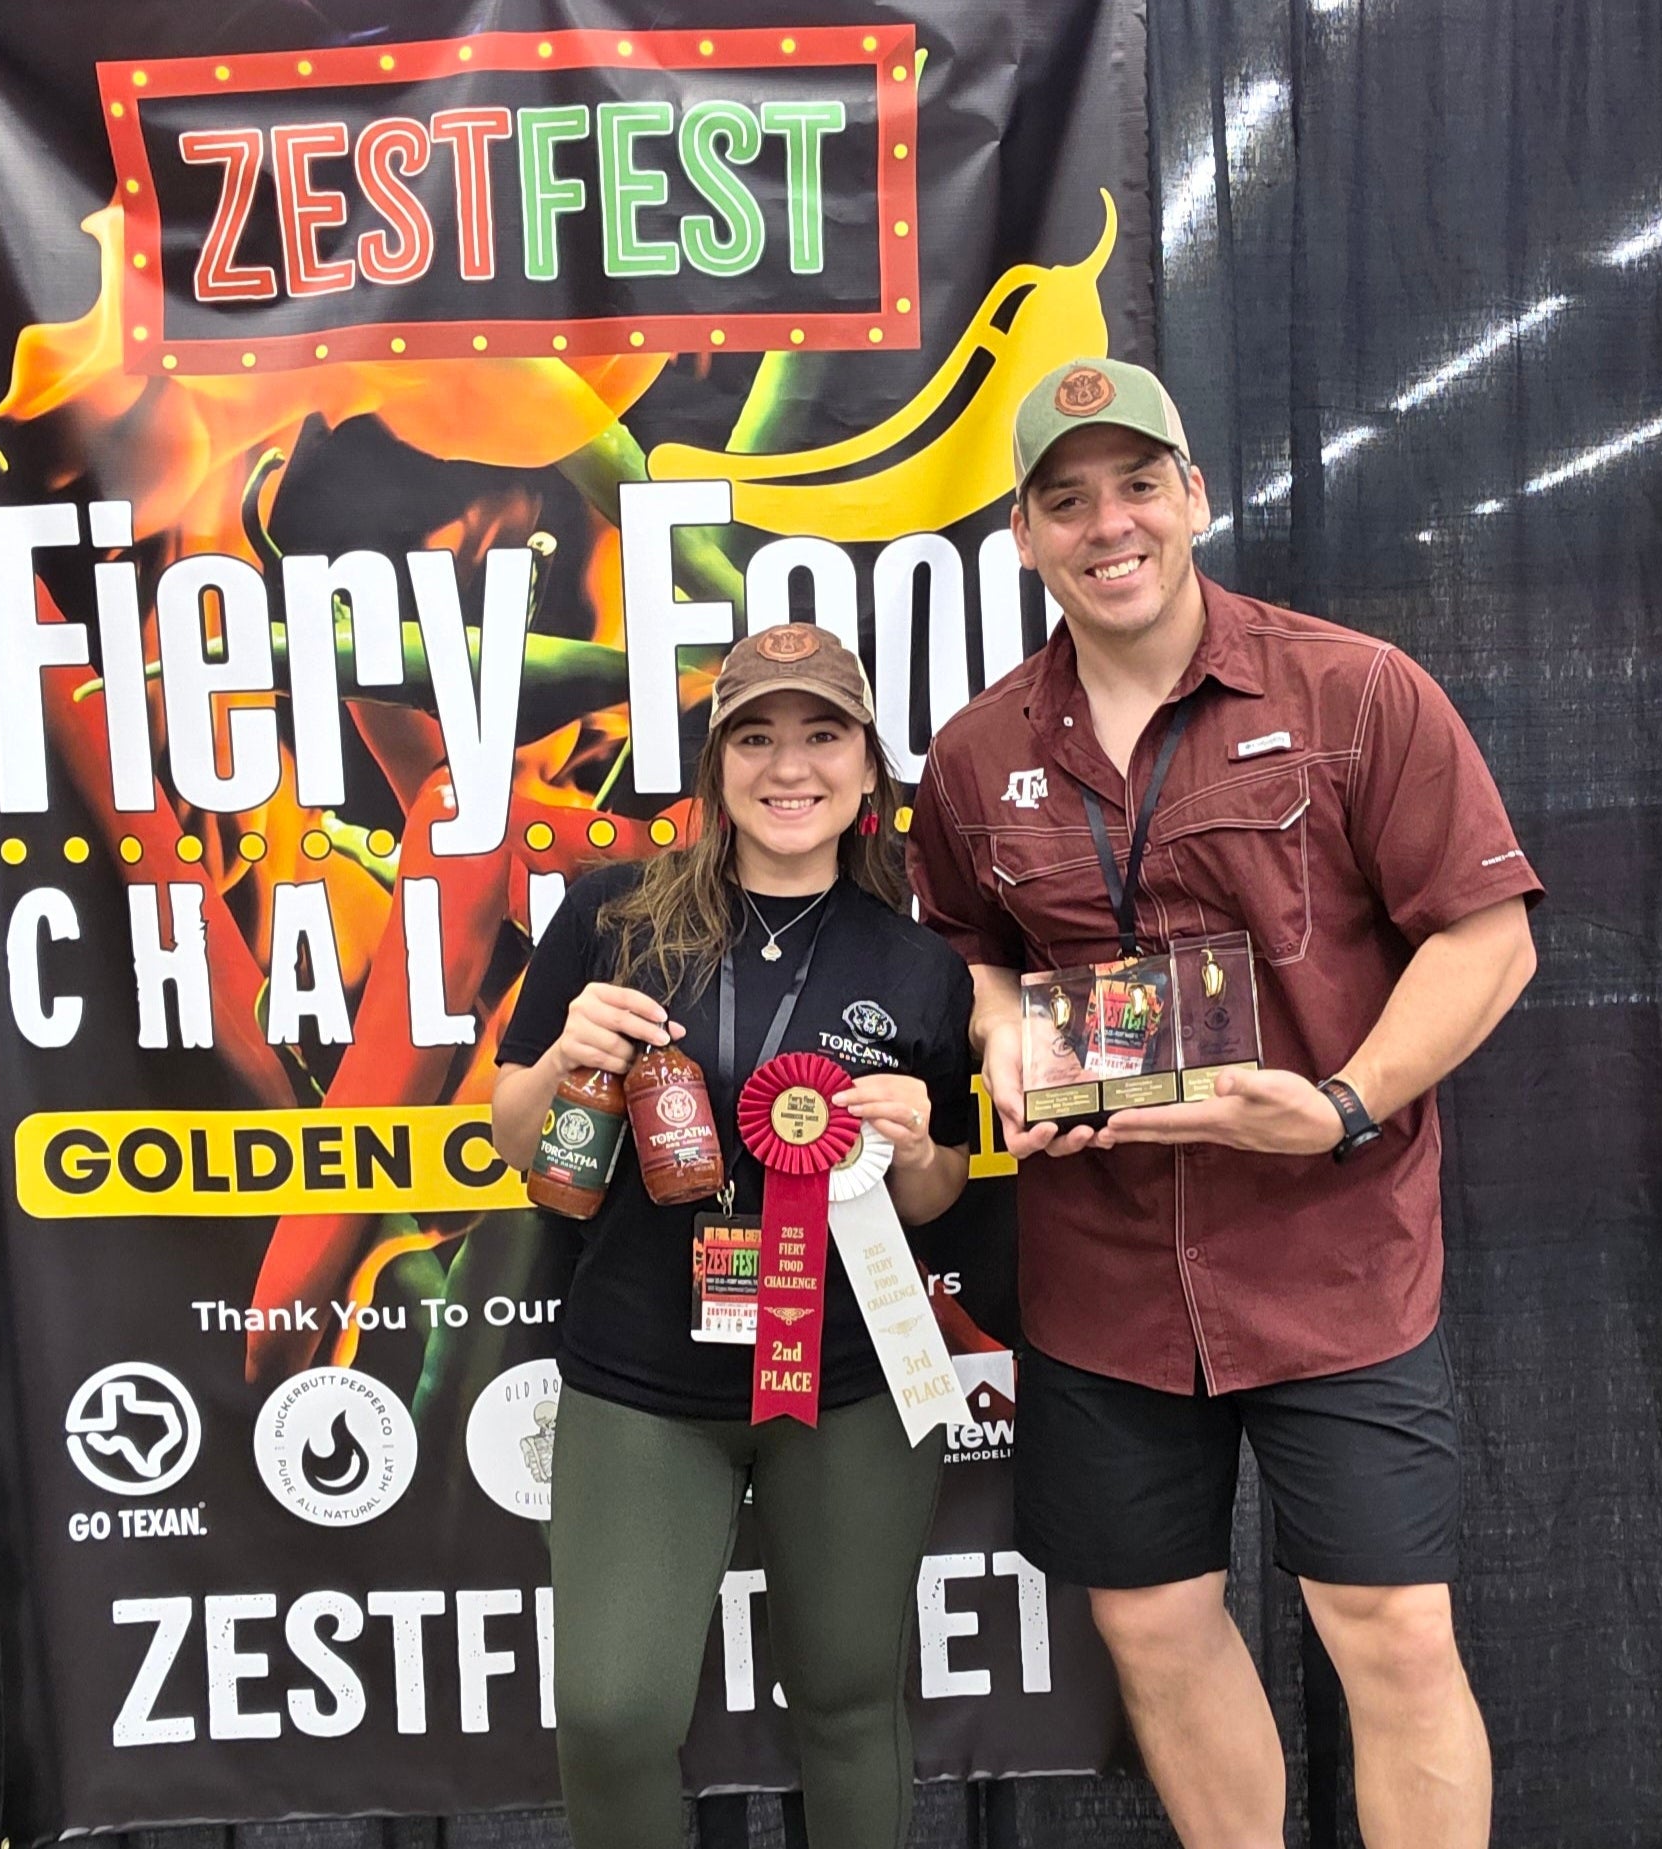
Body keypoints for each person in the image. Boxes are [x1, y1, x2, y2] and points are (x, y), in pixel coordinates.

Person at [907, 357, 1541, 1849]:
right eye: (1068, 501)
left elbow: (1489, 936)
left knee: (1391, 1632)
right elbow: (969, 950)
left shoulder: (1355, 692)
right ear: (1023, 536)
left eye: (1138, 485)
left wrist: (1344, 1104)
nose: (1108, 525)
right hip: (1102, 1278)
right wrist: (995, 1032)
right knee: (1152, 1625)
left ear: (1194, 496)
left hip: (1332, 1256)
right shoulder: (978, 753)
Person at [491, 625, 973, 1849]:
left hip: (848, 1382)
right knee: (610, 1714)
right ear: (715, 767)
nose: (789, 766)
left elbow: (936, 1193)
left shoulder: (920, 964)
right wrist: (562, 1059)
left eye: (822, 734)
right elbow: (511, 1134)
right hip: (643, 1376)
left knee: (851, 1703)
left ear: (868, 768)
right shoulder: (612, 914)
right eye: (755, 736)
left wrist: (919, 1144)